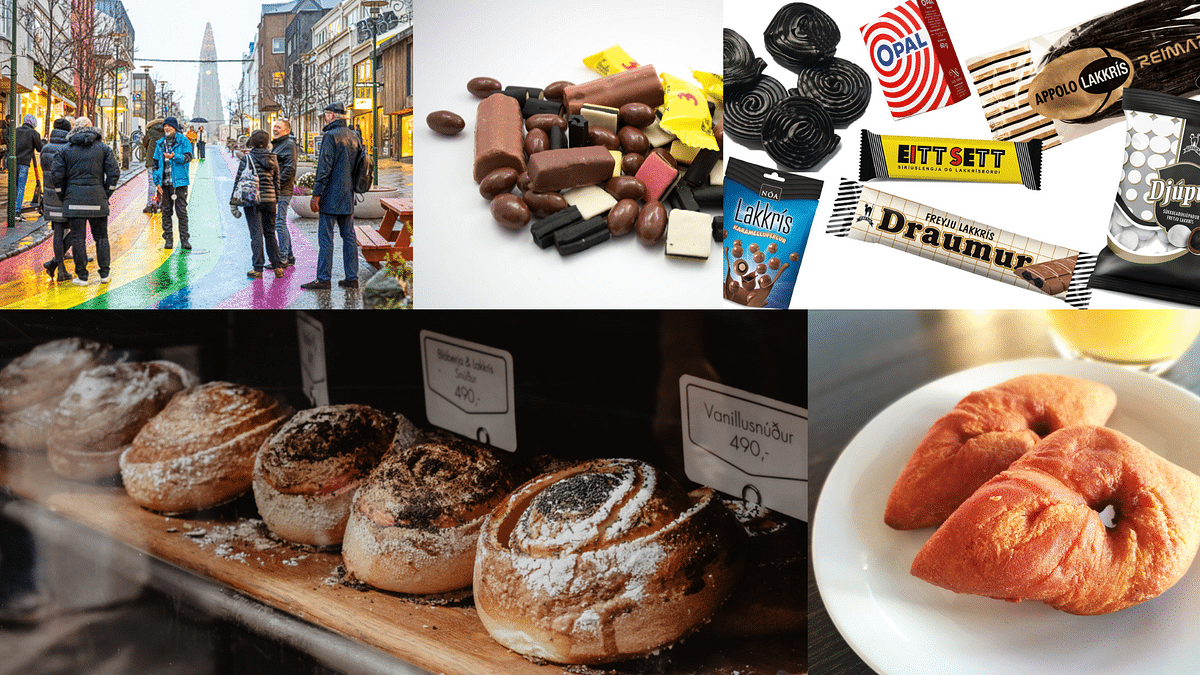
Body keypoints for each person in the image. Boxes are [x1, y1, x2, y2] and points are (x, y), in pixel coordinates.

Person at [50, 117, 119, 285]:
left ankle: (82, 276)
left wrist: (63, 195)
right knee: (101, 237)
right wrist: (106, 192)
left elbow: (57, 175)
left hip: (74, 200)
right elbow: (114, 172)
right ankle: (104, 274)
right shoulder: (103, 149)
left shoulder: (66, 149)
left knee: (78, 239)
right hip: (97, 199)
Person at [302, 102, 362, 290]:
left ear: (330, 115)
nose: (326, 117)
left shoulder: (329, 136)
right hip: (348, 194)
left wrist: (316, 194)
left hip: (330, 196)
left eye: (326, 114)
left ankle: (323, 278)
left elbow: (324, 167)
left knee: (326, 238)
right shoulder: (355, 135)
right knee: (349, 236)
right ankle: (352, 278)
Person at [230, 129, 285, 279]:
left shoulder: (247, 159)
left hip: (252, 200)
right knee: (270, 233)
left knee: (256, 234)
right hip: (270, 201)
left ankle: (258, 268)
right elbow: (277, 182)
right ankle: (277, 266)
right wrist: (276, 198)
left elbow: (239, 181)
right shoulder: (273, 158)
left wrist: (233, 203)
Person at [40, 118, 74, 282]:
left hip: (50, 196)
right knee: (76, 230)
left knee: (58, 231)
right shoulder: (68, 148)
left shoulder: (45, 148)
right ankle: (56, 265)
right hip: (66, 195)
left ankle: (59, 268)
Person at [152, 117, 194, 249]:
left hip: (180, 183)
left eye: (169, 126)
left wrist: (174, 156)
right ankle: (168, 239)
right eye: (165, 126)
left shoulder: (183, 140)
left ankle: (184, 239)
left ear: (175, 128)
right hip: (164, 184)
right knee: (166, 211)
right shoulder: (160, 144)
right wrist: (157, 183)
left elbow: (188, 157)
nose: (167, 128)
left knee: (181, 211)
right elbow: (155, 165)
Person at [270, 118, 296, 267]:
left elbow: (290, 169)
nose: (275, 129)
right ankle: (289, 256)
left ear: (287, 131)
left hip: (283, 190)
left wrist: (276, 184)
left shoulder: (288, 144)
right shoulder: (279, 144)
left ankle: (283, 257)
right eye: (275, 126)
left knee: (279, 222)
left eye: (279, 127)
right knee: (280, 222)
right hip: (279, 189)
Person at [14, 114, 45, 208]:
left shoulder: (16, 131)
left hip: (13, 163)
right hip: (24, 163)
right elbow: (39, 148)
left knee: (13, 187)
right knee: (21, 187)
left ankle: (12, 207)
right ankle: (17, 210)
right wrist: (43, 142)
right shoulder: (34, 133)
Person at [141, 118, 165, 213]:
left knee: (152, 183)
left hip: (151, 160)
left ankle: (149, 205)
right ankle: (161, 204)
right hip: (164, 161)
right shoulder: (168, 132)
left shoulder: (150, 131)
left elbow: (144, 144)